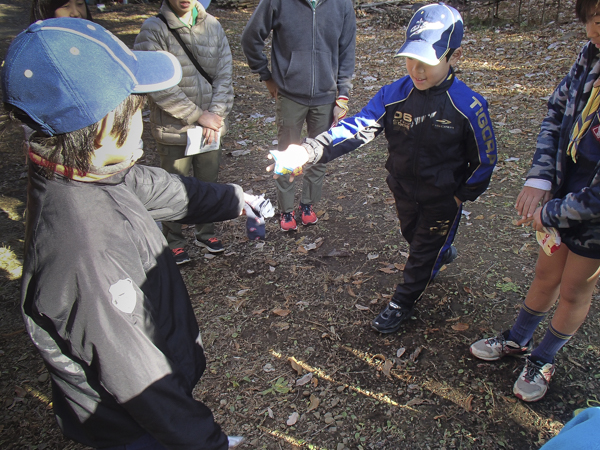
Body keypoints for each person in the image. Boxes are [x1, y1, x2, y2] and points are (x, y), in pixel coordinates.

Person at [1, 17, 250, 448]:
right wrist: (206, 442)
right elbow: (137, 377)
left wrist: (232, 199)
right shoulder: (83, 251)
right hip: (133, 425)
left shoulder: (84, 170)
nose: (142, 118)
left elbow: (151, 187)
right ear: (95, 130)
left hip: (152, 387)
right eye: (134, 110)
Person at [267, 2, 497, 333]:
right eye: (410, 60)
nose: (417, 70)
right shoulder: (393, 95)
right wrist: (308, 150)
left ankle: (402, 302)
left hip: (443, 197)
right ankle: (440, 252)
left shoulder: (468, 106)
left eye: (428, 62)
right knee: (412, 236)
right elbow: (357, 128)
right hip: (403, 189)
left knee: (420, 254)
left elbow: (485, 158)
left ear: (454, 56)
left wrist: (462, 196)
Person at [470, 0, 600, 403]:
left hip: (593, 215)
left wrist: (549, 212)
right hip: (565, 189)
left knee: (576, 287)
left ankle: (545, 357)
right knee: (547, 273)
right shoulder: (588, 59)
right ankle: (518, 339)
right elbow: (557, 111)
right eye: (597, 18)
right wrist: (541, 177)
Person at [241, 0, 356, 232]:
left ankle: (307, 205)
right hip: (290, 95)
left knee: (320, 153)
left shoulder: (342, 4)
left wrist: (342, 95)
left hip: (325, 96)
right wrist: (266, 75)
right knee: (286, 154)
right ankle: (286, 209)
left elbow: (347, 50)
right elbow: (250, 37)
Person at [134, 0, 233, 263]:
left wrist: (216, 115)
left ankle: (206, 231)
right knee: (172, 184)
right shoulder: (153, 29)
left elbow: (225, 73)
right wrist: (199, 116)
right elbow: (157, 84)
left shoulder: (212, 25)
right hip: (175, 128)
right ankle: (174, 240)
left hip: (210, 128)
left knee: (207, 180)